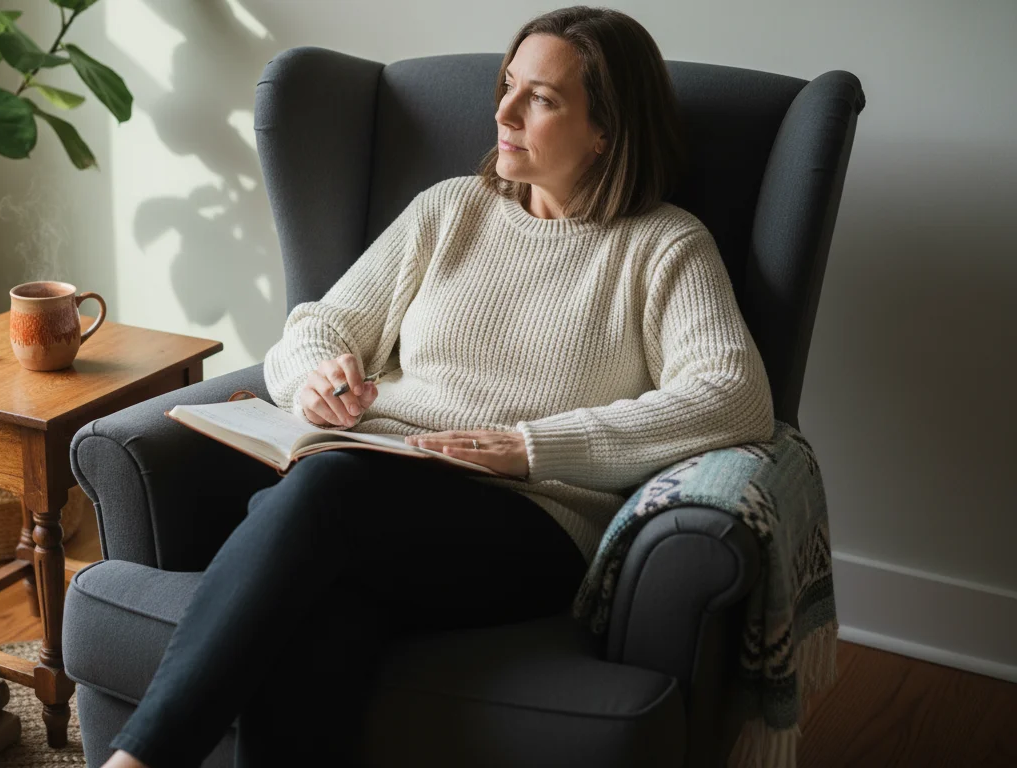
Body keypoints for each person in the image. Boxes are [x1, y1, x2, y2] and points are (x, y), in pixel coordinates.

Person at [102, 6, 775, 767]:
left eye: (542, 98)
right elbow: (319, 325)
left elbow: (734, 395)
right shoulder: (450, 209)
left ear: (606, 132)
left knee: (320, 499)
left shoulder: (663, 246)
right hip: (371, 485)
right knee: (326, 609)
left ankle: (140, 761)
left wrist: (529, 447)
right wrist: (313, 382)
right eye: (507, 85)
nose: (504, 111)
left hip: (531, 522)